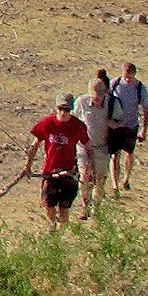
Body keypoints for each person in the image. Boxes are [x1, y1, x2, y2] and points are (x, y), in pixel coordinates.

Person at [25, 94, 89, 228]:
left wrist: (90, 169)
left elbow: (88, 147)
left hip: (69, 172)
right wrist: (28, 166)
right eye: (60, 108)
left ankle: (61, 234)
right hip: (50, 170)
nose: (63, 112)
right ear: (56, 107)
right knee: (48, 204)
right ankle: (52, 226)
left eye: (66, 109)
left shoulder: (78, 126)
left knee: (64, 208)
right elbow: (35, 144)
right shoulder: (48, 123)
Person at [106, 62, 148, 188]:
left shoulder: (140, 88)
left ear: (134, 74)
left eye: (129, 77)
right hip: (116, 126)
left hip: (131, 125)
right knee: (114, 155)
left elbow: (146, 109)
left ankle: (126, 179)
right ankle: (115, 184)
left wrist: (144, 129)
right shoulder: (114, 84)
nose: (127, 79)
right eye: (125, 76)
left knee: (129, 153)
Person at [74, 69, 113, 216]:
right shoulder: (81, 102)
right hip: (84, 146)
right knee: (84, 176)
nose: (97, 99)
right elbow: (73, 121)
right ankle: (84, 207)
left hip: (102, 147)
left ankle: (96, 209)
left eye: (100, 96)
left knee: (100, 179)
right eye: (95, 97)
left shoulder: (111, 103)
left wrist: (114, 124)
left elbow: (120, 121)